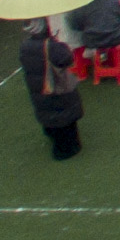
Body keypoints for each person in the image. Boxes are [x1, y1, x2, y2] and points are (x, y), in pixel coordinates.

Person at [20, 19, 86, 160]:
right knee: (64, 120)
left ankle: (52, 135)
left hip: (38, 89)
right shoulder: (51, 46)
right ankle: (67, 149)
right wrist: (58, 43)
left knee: (48, 115)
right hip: (57, 89)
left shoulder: (25, 46)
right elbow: (67, 59)